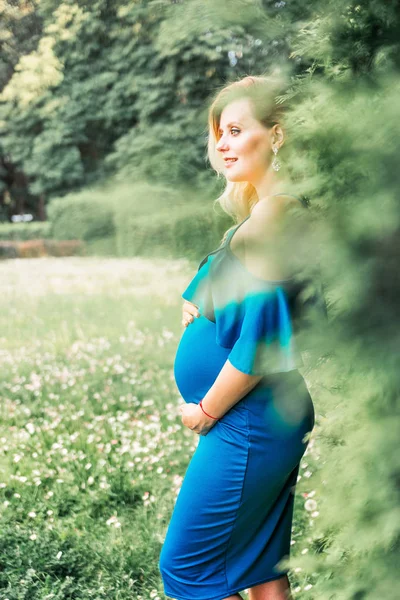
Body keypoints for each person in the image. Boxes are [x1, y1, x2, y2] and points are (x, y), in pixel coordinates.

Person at [159, 74, 325, 600]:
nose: (223, 144)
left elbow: (263, 339)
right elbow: (232, 296)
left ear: (276, 135)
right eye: (218, 134)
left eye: (236, 129)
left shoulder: (275, 215)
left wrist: (205, 410)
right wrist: (202, 296)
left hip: (248, 415)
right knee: (257, 565)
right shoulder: (262, 213)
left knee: (188, 570)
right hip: (263, 413)